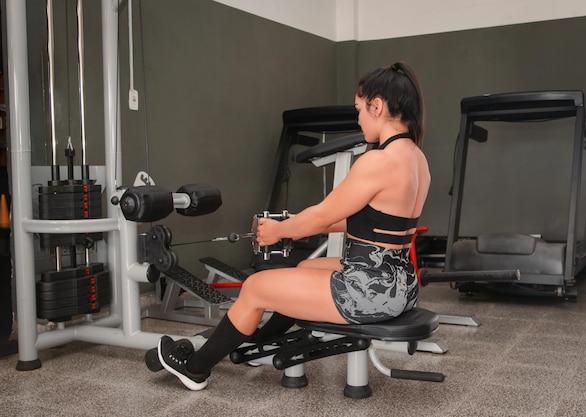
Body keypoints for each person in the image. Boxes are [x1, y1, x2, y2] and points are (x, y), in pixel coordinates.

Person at [156, 61, 431, 391]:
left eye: (359, 109)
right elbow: (369, 221)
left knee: (256, 287)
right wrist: (290, 223)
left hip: (369, 292)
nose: (357, 118)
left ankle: (195, 369)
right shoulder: (416, 157)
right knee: (305, 266)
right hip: (401, 284)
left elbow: (321, 216)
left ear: (378, 106)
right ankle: (256, 344)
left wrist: (279, 230)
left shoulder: (378, 161)